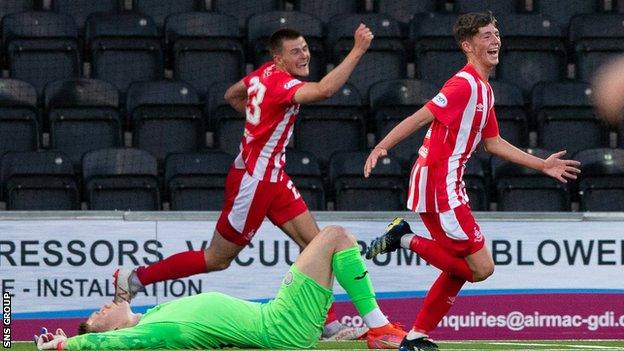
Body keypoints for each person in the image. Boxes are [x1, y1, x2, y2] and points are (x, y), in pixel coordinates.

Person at [112, 24, 375, 340]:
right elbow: (324, 91)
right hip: (254, 182)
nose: (304, 54)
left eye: (305, 48)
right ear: (278, 59)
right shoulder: (280, 83)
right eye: (296, 51)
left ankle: (326, 323)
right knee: (216, 259)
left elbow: (232, 94)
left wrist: (257, 117)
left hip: (273, 176)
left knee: (316, 245)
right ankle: (136, 278)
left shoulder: (263, 74)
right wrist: (358, 50)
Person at [363, 12, 581, 351]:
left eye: (496, 33)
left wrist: (542, 164)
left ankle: (416, 338)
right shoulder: (463, 84)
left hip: (444, 184)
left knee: (459, 269)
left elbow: (493, 143)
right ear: (468, 45)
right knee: (480, 268)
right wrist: (381, 146)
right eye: (486, 35)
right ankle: (403, 238)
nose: (495, 40)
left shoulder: (484, 90)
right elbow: (419, 116)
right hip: (440, 185)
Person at [35, 226, 406, 350]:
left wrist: (69, 337)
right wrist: (71, 343)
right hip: (282, 324)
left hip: (278, 319)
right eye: (99, 316)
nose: (102, 307)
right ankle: (380, 329)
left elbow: (112, 337)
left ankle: (378, 329)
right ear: (113, 327)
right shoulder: (152, 331)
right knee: (335, 236)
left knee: (335, 239)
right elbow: (119, 344)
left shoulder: (156, 313)